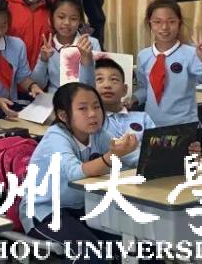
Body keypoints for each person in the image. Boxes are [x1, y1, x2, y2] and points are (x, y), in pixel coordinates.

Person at [20, 83, 138, 264]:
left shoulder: (98, 134)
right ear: (63, 115)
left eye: (96, 107)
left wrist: (158, 154)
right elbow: (75, 173)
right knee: (91, 255)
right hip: (45, 212)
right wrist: (111, 156)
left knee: (138, 247)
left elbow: (132, 159)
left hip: (84, 208)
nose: (92, 114)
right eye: (83, 108)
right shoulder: (56, 137)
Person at [132, 0, 202, 127]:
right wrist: (133, 99)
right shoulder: (143, 55)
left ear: (179, 23)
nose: (164, 27)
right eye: (157, 22)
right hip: (151, 125)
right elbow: (145, 89)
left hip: (184, 126)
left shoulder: (191, 54)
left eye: (171, 21)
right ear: (149, 23)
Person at [94, 57, 154, 169]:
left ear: (125, 89)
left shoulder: (143, 118)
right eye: (99, 80)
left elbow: (157, 146)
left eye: (114, 79)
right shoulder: (93, 122)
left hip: (147, 175)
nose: (107, 85)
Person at [32, 0, 100, 91]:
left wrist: (86, 60)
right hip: (54, 98)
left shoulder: (91, 44)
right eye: (61, 17)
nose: (67, 22)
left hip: (84, 96)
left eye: (73, 18)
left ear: (80, 21)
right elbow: (38, 85)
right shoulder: (48, 46)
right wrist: (43, 60)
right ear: (51, 18)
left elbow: (95, 84)